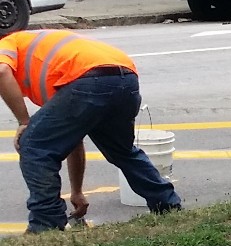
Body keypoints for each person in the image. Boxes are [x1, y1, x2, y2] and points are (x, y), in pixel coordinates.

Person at [0, 30, 181, 233]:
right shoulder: (46, 60)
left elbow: (1, 71)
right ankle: (168, 205)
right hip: (125, 78)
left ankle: (46, 225)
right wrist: (76, 191)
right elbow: (71, 140)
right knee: (123, 151)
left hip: (88, 79)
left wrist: (24, 122)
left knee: (33, 145)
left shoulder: (8, 43)